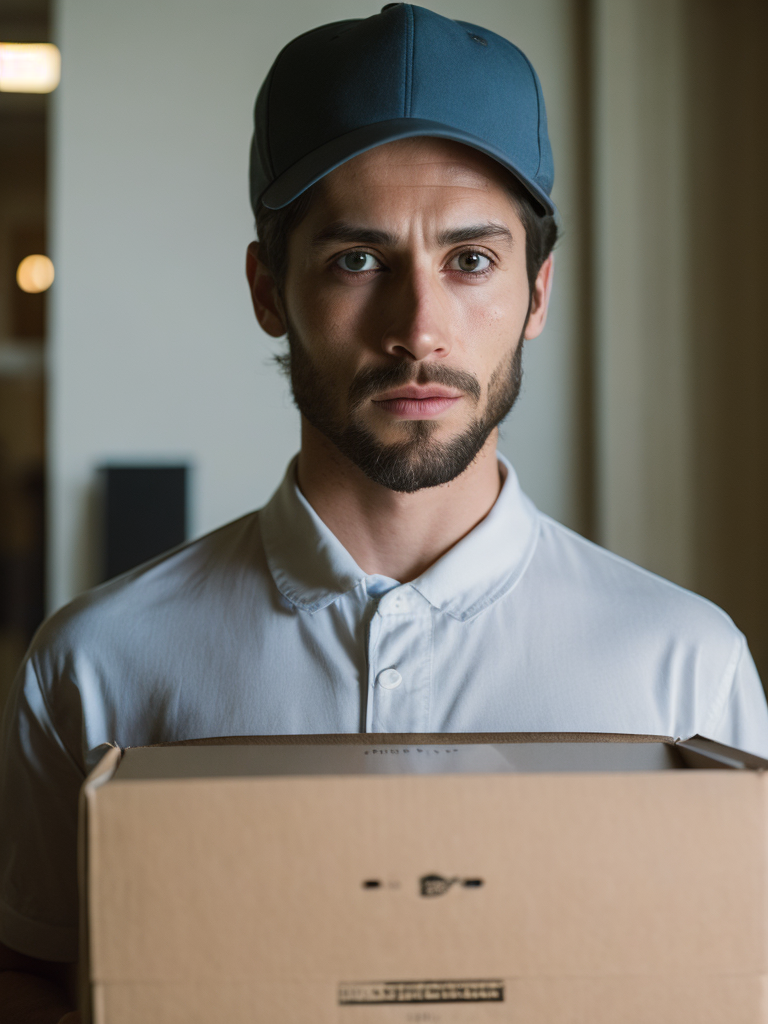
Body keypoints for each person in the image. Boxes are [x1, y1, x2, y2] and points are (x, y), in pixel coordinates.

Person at [2, 4, 768, 1020]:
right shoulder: (96, 662)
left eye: (471, 260)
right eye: (357, 259)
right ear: (269, 289)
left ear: (538, 293)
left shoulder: (683, 665)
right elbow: (34, 979)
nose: (419, 329)